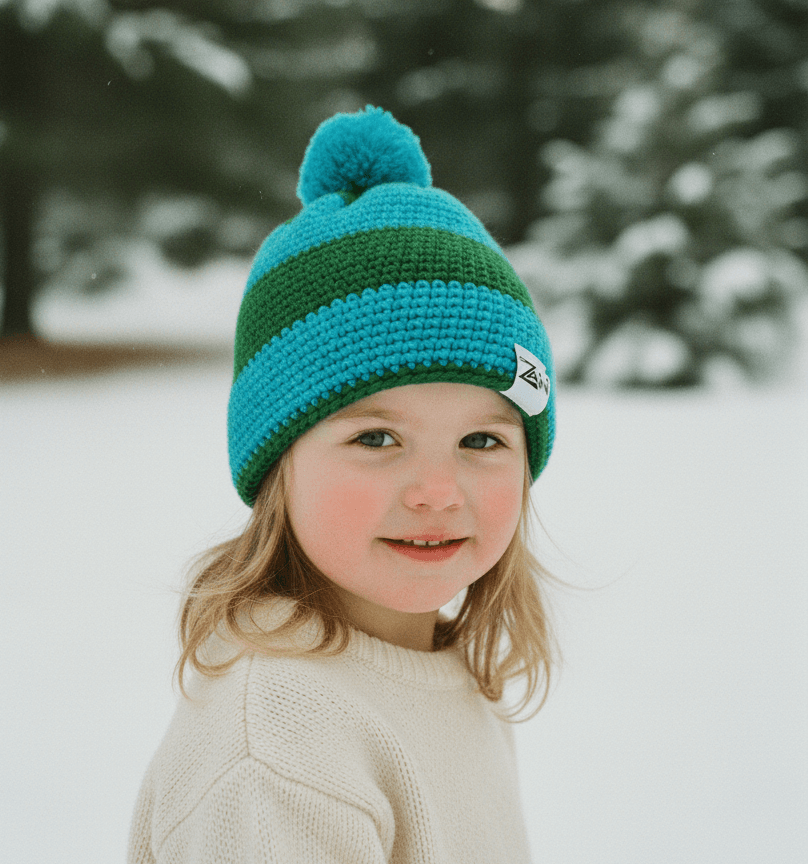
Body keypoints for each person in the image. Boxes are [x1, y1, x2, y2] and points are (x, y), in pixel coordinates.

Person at [127, 105, 558, 864]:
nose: (437, 490)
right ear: (277, 465)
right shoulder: (277, 750)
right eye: (376, 438)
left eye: (482, 439)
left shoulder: (450, 674)